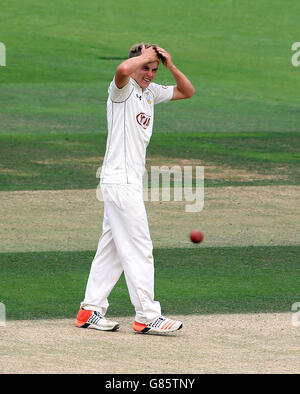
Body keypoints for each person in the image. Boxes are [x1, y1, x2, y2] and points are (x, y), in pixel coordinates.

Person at [75, 43, 195, 333]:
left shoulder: (150, 92)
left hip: (128, 181)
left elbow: (186, 91)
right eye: (146, 68)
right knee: (140, 246)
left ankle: (89, 310)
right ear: (137, 64)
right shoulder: (122, 89)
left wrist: (170, 66)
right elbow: (121, 70)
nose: (150, 74)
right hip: (120, 180)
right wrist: (143, 58)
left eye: (154, 70)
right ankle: (146, 315)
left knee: (113, 249)